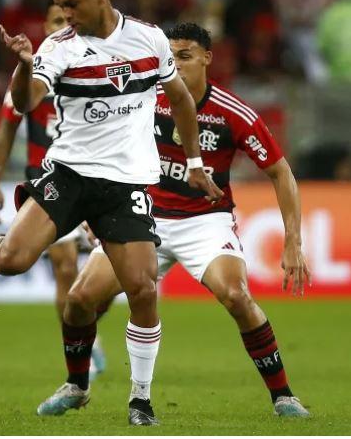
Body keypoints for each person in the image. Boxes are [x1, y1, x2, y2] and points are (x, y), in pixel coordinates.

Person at [0, 0, 222, 426]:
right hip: (71, 174)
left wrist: (194, 163)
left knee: (142, 287)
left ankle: (139, 399)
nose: (65, 13)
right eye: (59, 6)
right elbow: (27, 99)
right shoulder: (59, 47)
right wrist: (24, 66)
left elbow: (179, 98)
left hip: (126, 183)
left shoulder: (150, 38)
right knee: (14, 260)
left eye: (71, 3)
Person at [41, 22, 312, 419]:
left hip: (204, 222)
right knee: (80, 299)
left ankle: (284, 396)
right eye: (171, 56)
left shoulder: (232, 113)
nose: (176, 64)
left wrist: (293, 241)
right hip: (140, 216)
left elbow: (281, 172)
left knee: (236, 296)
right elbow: (102, 148)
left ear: (207, 58)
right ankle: (77, 385)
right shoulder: (145, 97)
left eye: (184, 56)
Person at [0, 1, 107, 381]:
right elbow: (8, 126)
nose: (62, 25)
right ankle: (79, 355)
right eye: (55, 20)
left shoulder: (92, 65)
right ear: (45, 26)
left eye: (66, 19)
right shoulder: (32, 72)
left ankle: (86, 328)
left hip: (92, 177)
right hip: (46, 180)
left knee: (115, 278)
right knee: (65, 267)